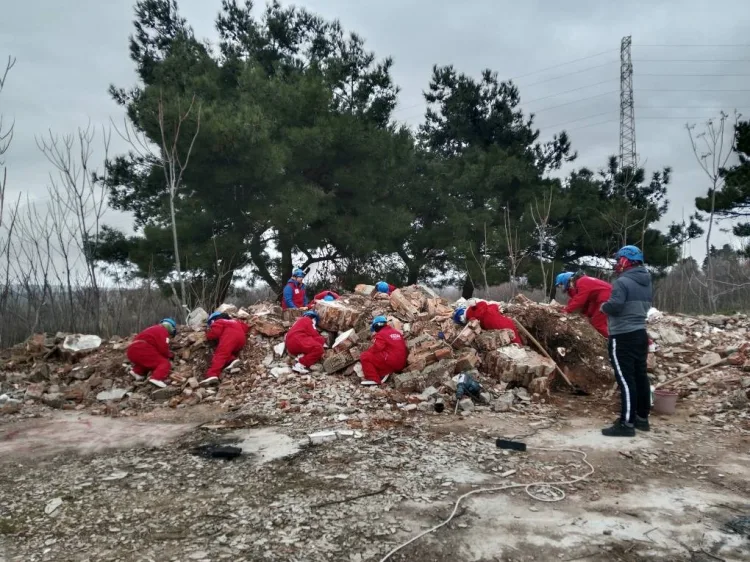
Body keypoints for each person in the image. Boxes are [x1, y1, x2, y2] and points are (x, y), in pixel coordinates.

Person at [600, 245, 653, 437]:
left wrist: (603, 307)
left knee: (625, 379)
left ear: (625, 261)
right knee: (640, 376)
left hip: (622, 335)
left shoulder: (622, 282)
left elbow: (615, 306)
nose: (616, 264)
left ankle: (626, 424)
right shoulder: (646, 281)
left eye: (618, 260)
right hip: (640, 333)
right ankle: (642, 419)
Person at [555, 271, 612, 338]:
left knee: (597, 323)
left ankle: (614, 342)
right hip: (601, 298)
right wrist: (585, 314)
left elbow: (580, 300)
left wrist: (566, 310)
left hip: (606, 297)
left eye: (561, 284)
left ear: (566, 281)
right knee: (590, 316)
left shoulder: (582, 282)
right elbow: (585, 301)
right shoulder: (582, 281)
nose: (562, 286)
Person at [127, 318, 177, 388]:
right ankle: (157, 378)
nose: (169, 336)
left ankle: (137, 372)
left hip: (131, 350)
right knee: (164, 363)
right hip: (141, 348)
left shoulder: (153, 328)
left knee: (149, 362)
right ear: (171, 328)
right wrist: (169, 355)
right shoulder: (163, 331)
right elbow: (163, 348)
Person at [203, 312, 250, 386]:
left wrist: (208, 335)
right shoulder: (236, 321)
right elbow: (246, 328)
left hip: (230, 337)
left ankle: (212, 374)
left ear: (215, 319)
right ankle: (233, 360)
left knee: (221, 353)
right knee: (227, 352)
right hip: (241, 341)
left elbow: (215, 333)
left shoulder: (219, 321)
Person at [360, 316, 408, 386]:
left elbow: (377, 348)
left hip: (392, 362)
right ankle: (384, 373)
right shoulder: (397, 333)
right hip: (401, 364)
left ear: (377, 325)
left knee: (365, 356)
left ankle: (373, 379)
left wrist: (368, 351)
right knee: (382, 356)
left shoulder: (381, 334)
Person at [452, 302, 522, 344]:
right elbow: (494, 306)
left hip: (500, 329)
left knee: (514, 345)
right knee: (517, 342)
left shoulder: (473, 320)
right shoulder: (483, 307)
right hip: (508, 322)